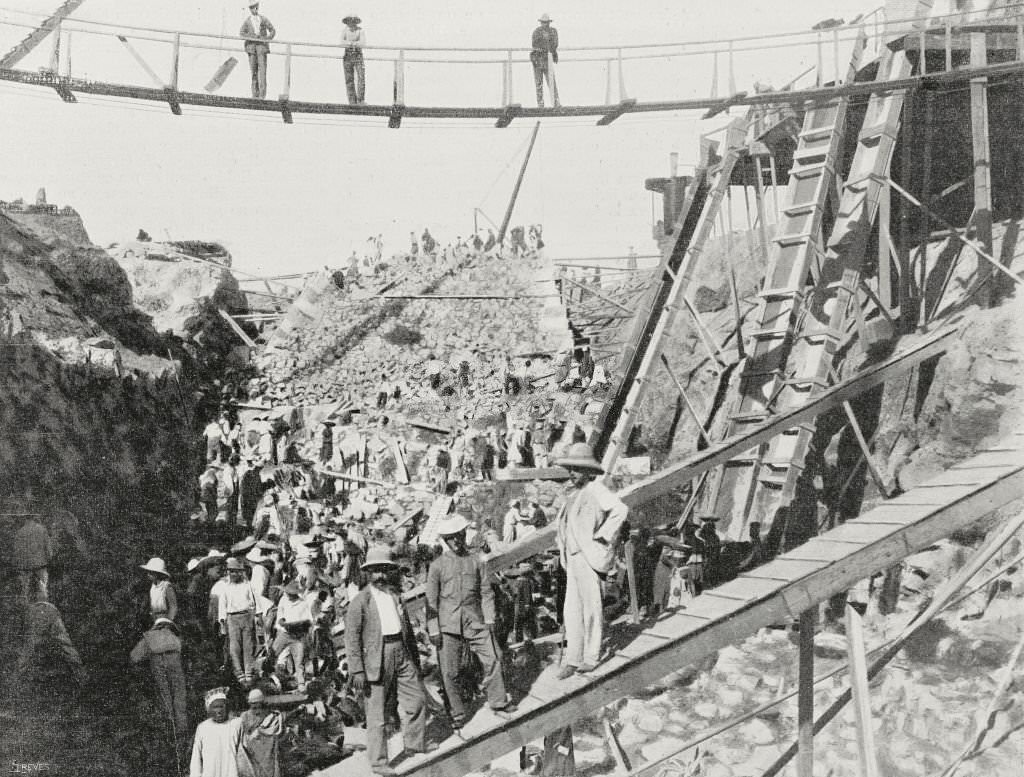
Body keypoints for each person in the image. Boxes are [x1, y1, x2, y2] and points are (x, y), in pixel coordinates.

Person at [345, 547, 431, 775]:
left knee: (417, 700)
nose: (380, 576)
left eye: (384, 570)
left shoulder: (395, 595)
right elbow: (351, 638)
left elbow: (408, 630)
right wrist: (357, 671)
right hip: (375, 657)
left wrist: (414, 658)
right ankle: (379, 763)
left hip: (401, 652)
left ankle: (414, 744)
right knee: (377, 715)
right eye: (375, 572)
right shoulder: (360, 602)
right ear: (368, 574)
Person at [426, 514, 515, 726]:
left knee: (493, 658)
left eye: (458, 536)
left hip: (476, 621)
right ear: (445, 540)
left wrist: (490, 618)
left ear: (464, 534)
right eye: (451, 538)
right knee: (450, 671)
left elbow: (486, 592)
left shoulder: (476, 561)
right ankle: (457, 713)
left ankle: (498, 701)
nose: (456, 541)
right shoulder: (437, 566)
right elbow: (430, 601)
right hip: (448, 625)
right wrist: (434, 630)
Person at [553, 442, 628, 678]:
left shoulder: (597, 490)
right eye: (571, 469)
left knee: (592, 608)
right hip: (573, 559)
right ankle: (573, 658)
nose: (572, 474)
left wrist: (603, 536)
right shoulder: (573, 495)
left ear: (587, 471)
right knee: (571, 610)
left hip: (588, 557)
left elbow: (620, 510)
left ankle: (591, 657)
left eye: (576, 469)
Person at [130, 618, 189, 748]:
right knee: (179, 694)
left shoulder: (149, 636)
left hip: (157, 661)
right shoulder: (174, 636)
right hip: (174, 660)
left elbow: (134, 657)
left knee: (164, 695)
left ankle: (170, 730)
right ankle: (182, 732)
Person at [219, 557, 259, 688]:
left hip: (246, 615)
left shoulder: (247, 585)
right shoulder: (225, 587)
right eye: (231, 571)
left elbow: (253, 602)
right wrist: (222, 622)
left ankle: (249, 673)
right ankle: (239, 674)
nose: (233, 574)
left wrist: (254, 617)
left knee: (248, 646)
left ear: (240, 572)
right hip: (232, 618)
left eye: (236, 571)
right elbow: (222, 606)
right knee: (234, 647)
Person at [272, 578, 317, 692]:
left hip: (298, 636)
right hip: (285, 633)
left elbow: (308, 621)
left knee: (299, 660)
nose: (289, 595)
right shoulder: (283, 600)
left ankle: (301, 683)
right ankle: (268, 677)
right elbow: (280, 617)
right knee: (273, 653)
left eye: (291, 594)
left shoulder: (303, 603)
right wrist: (284, 623)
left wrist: (297, 625)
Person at [190, 688, 243, 777]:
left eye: (221, 706)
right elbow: (196, 756)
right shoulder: (203, 727)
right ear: (209, 709)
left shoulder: (237, 724)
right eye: (215, 707)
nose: (219, 711)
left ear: (227, 707)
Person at [236, 689, 283, 777]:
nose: (257, 711)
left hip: (267, 752)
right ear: (250, 704)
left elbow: (271, 731)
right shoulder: (244, 716)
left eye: (259, 707)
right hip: (250, 752)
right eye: (254, 707)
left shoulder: (270, 715)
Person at [12, 513, 52, 602]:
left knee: (25, 590)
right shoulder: (42, 529)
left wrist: (18, 564)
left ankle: (27, 608)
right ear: (34, 518)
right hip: (40, 564)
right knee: (43, 588)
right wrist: (49, 559)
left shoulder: (19, 532)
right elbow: (48, 548)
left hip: (25, 566)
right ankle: (43, 607)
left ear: (25, 519)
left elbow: (17, 551)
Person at [240, 2, 276, 100]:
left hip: (262, 48)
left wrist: (266, 39)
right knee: (254, 72)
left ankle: (262, 96)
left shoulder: (263, 19)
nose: (254, 10)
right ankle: (254, 95)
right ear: (250, 9)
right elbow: (241, 33)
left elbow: (272, 30)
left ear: (258, 8)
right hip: (251, 49)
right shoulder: (247, 21)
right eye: (252, 8)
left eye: (255, 8)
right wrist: (251, 37)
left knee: (263, 72)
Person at [530, 14, 560, 109]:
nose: (545, 24)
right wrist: (544, 48)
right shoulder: (536, 32)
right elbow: (534, 44)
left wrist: (551, 51)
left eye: (546, 22)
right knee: (539, 83)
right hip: (538, 60)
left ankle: (556, 102)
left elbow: (555, 44)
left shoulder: (553, 31)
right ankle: (540, 104)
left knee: (551, 82)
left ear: (549, 23)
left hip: (547, 59)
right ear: (541, 22)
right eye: (543, 22)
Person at [142, 557, 179, 623]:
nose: (148, 575)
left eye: (151, 573)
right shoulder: (152, 587)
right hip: (155, 620)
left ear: (157, 574)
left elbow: (173, 607)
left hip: (166, 620)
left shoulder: (166, 586)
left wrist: (168, 621)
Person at [341, 14, 366, 105]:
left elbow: (363, 43)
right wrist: (352, 43)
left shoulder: (360, 31)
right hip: (348, 55)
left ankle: (360, 100)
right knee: (349, 78)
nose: (351, 23)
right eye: (349, 21)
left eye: (353, 21)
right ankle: (352, 101)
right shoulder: (345, 31)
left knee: (361, 77)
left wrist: (352, 44)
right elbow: (342, 42)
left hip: (358, 55)